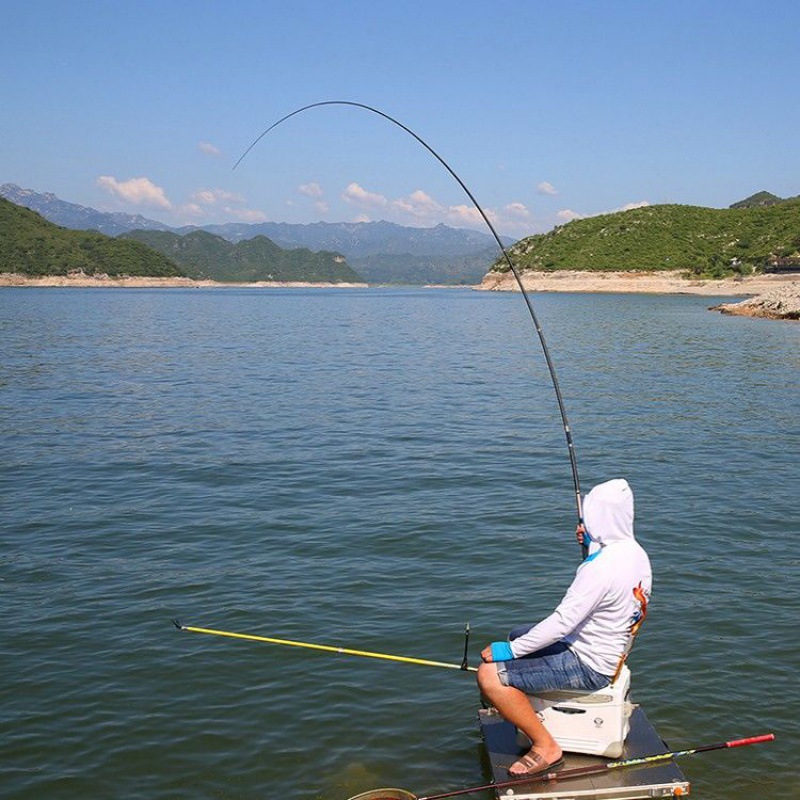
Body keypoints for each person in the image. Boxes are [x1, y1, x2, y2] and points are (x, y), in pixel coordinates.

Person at [477, 478, 652, 777]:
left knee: (489, 675)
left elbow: (561, 624)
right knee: (518, 632)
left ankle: (546, 746)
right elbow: (605, 592)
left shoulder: (600, 569)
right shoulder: (635, 554)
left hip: (588, 665)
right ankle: (522, 706)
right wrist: (593, 545)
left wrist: (510, 650)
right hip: (609, 652)